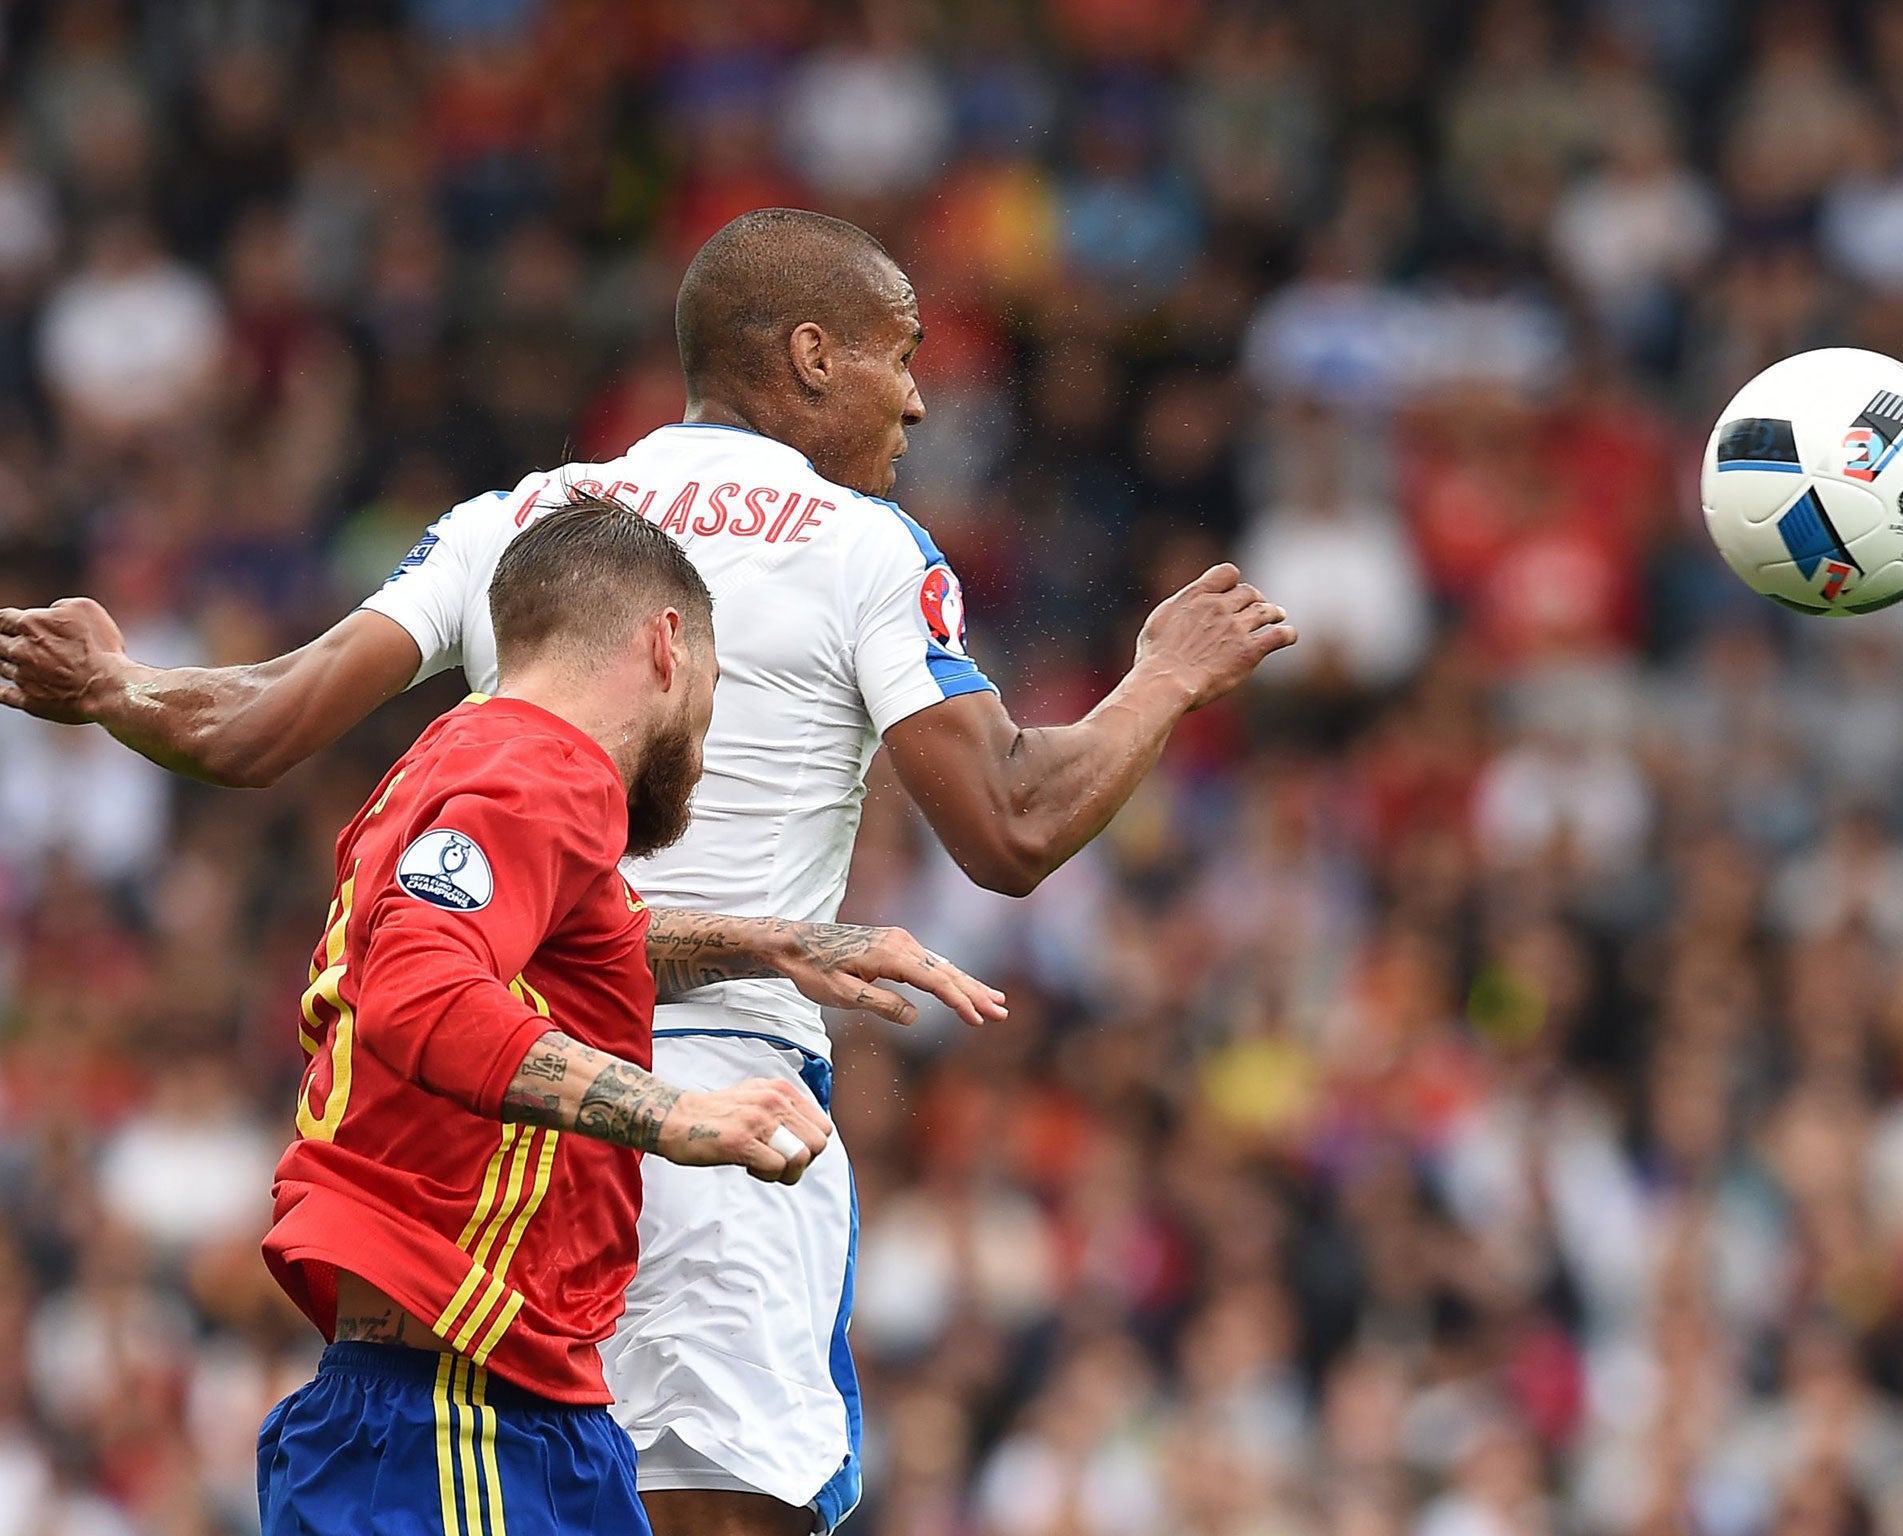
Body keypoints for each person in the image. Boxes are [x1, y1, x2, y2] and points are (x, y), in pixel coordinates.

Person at [0, 207, 1296, 1536]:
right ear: (809, 357)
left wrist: (114, 684)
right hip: (718, 1110)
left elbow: (259, 722)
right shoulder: (860, 545)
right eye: (899, 355)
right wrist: (1162, 683)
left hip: (507, 1129)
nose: (917, 397)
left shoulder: (525, 522)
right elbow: (1011, 827)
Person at [257, 490, 834, 1536]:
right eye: (716, 679)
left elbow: (581, 944)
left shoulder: (452, 764)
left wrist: (775, 942)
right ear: (668, 646)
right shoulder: (547, 771)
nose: (706, 726)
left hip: (492, 1405)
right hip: (455, 1418)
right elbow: (420, 995)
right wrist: (677, 1114)